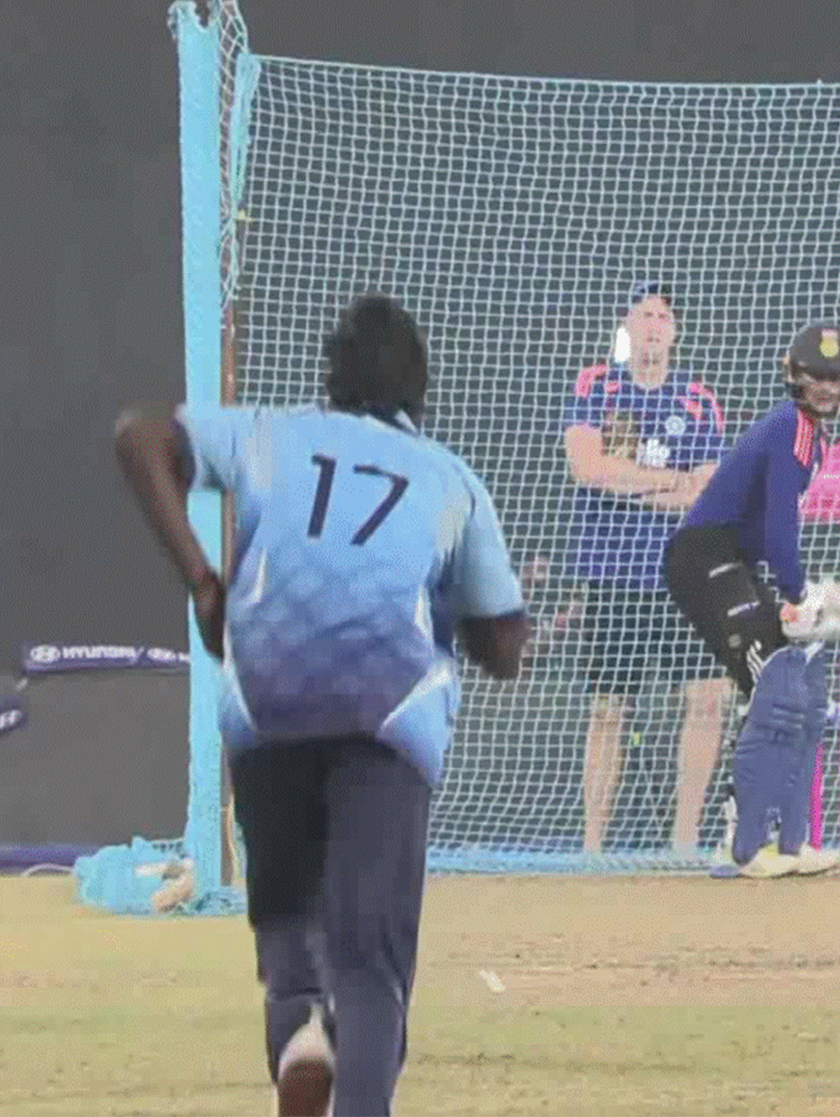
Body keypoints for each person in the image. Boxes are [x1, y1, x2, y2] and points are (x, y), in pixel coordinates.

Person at [115, 294, 529, 1117]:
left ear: (330, 380)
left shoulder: (273, 432)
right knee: (372, 971)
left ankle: (305, 1033)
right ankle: (351, 1055)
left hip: (266, 708)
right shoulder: (451, 479)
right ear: (420, 392)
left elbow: (139, 435)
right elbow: (505, 647)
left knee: (290, 948)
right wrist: (464, 619)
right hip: (385, 713)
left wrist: (203, 581)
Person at [664, 323, 840, 878]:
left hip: (736, 561)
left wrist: (791, 599)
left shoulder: (813, 438)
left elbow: (768, 534)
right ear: (792, 375)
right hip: (703, 556)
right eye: (815, 376)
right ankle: (738, 846)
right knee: (775, 681)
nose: (825, 387)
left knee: (797, 685)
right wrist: (800, 594)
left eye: (835, 377)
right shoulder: (789, 429)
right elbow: (779, 530)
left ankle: (787, 844)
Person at [562, 282, 733, 855]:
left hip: (684, 573)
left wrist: (630, 479)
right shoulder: (596, 385)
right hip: (614, 574)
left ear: (675, 331)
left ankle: (684, 839)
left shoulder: (700, 400)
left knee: (708, 697)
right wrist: (668, 482)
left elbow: (706, 492)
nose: (655, 324)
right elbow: (589, 469)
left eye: (664, 316)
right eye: (645, 314)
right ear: (627, 326)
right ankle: (592, 846)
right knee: (609, 708)